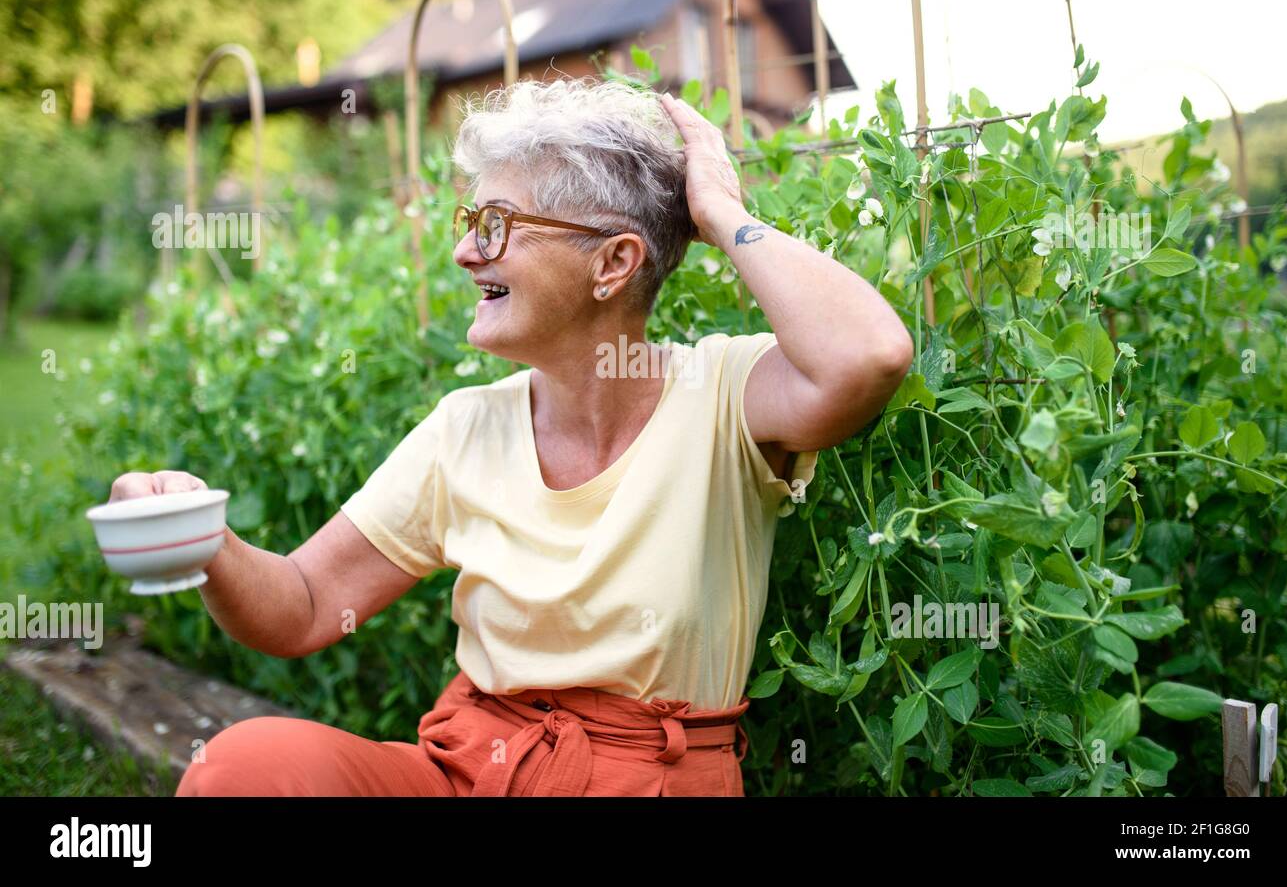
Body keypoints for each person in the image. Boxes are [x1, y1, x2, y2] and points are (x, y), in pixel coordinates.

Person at [111, 77, 913, 796]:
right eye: (470, 222)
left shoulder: (725, 396)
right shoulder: (466, 427)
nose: (464, 251)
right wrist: (206, 540)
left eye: (495, 224)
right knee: (245, 769)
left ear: (613, 264)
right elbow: (307, 606)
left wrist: (723, 214)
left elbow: (869, 356)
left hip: (648, 783)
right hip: (470, 770)